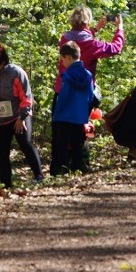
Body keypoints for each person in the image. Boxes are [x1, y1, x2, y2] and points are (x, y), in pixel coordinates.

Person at [54, 6, 125, 167]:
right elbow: (115, 48)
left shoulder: (64, 39)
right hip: (82, 95)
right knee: (81, 128)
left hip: (63, 90)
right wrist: (119, 29)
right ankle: (80, 164)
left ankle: (60, 166)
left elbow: (78, 42)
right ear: (87, 22)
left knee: (61, 129)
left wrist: (94, 30)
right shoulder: (92, 44)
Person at [0, 43, 44, 188]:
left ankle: (39, 175)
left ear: (3, 59)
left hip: (19, 116)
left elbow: (27, 97)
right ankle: (6, 184)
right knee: (1, 152)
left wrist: (22, 117)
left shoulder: (16, 72)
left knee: (26, 143)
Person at [51, 41, 95, 176]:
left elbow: (63, 97)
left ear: (68, 57)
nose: (62, 62)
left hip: (64, 117)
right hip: (79, 117)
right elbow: (90, 96)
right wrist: (85, 115)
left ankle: (62, 169)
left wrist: (56, 114)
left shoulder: (67, 76)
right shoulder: (88, 75)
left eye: (62, 58)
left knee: (61, 145)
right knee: (77, 144)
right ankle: (78, 168)